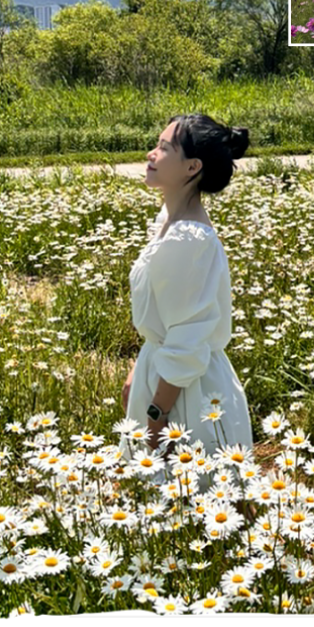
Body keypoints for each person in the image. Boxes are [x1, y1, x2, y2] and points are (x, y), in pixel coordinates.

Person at [122, 114, 253, 454]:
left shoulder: (188, 239)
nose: (151, 154)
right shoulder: (170, 222)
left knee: (187, 494)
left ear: (192, 167)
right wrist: (138, 371)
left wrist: (157, 416)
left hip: (186, 397)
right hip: (165, 377)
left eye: (164, 148)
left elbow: (187, 340)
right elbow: (169, 318)